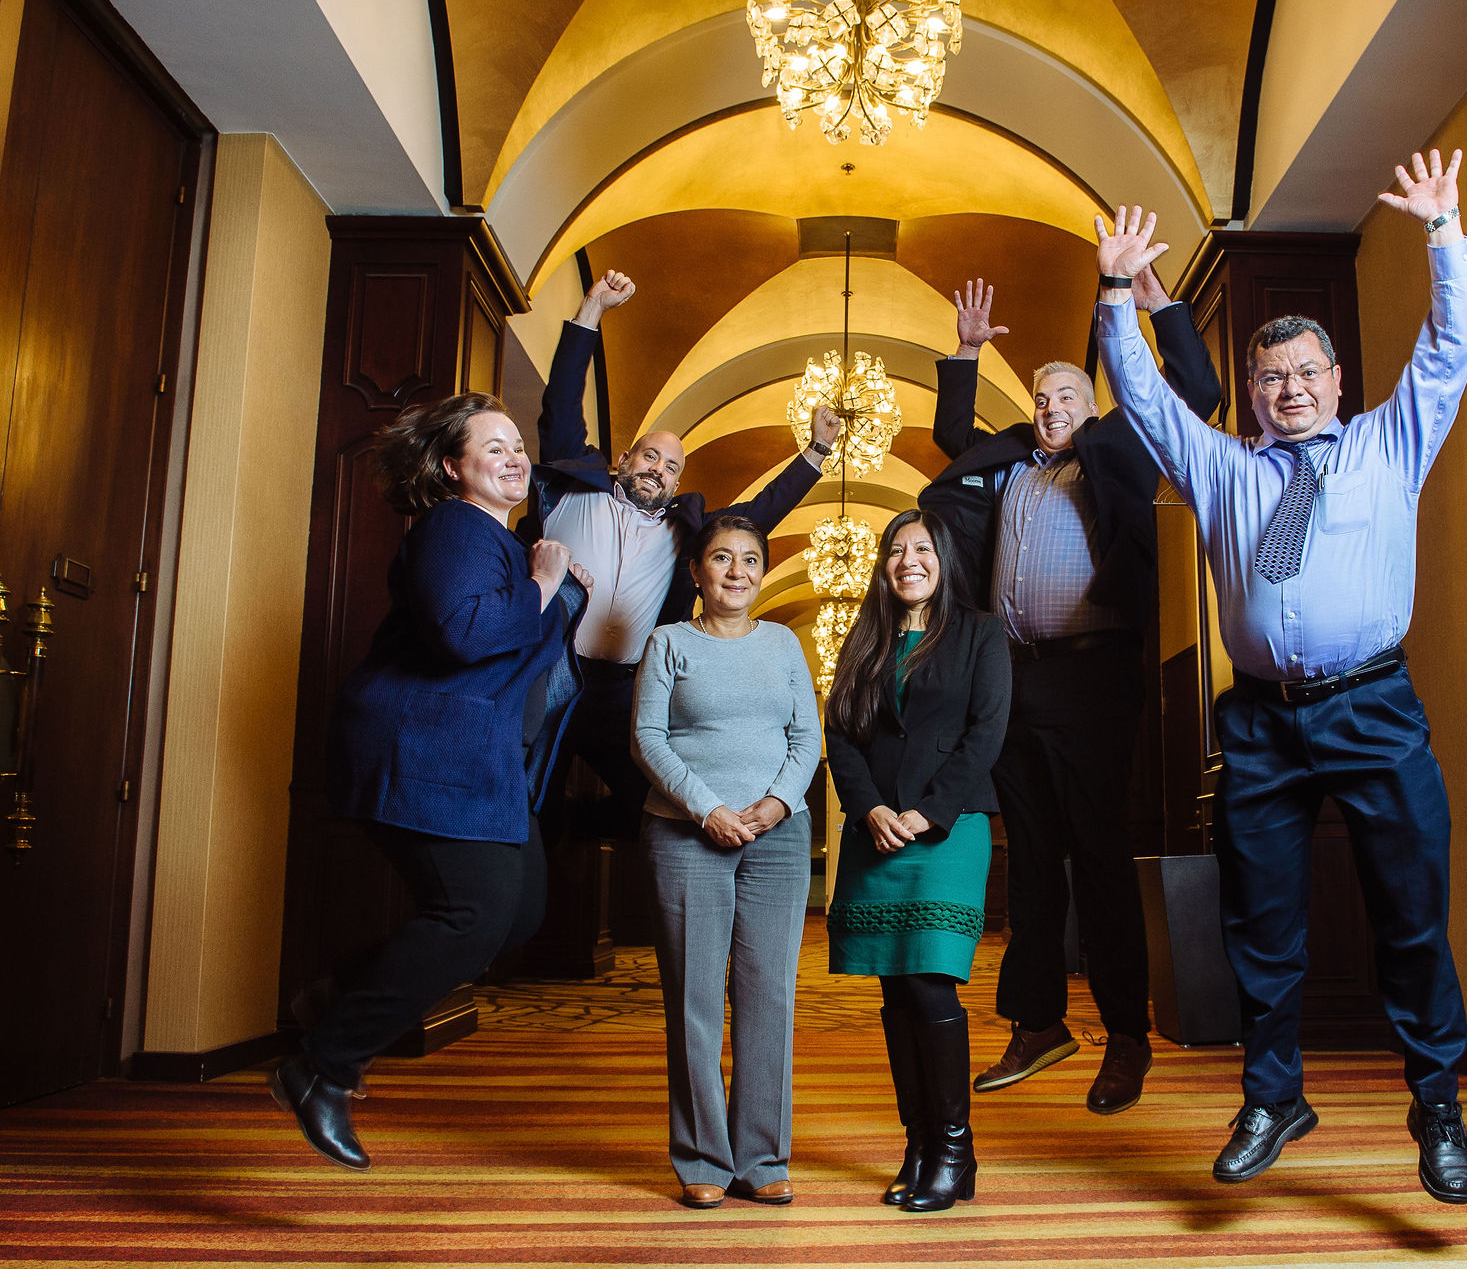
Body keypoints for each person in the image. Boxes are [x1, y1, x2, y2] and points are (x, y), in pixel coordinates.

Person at [1091, 149, 1467, 1204]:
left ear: (1336, 381)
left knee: (1411, 916)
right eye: (1270, 378)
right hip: (1261, 723)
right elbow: (1145, 400)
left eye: (1307, 373)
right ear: (1255, 392)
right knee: (1260, 927)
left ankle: (1437, 1103)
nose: (1290, 389)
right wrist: (1116, 295)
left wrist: (1442, 233)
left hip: (1373, 707)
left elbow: (1450, 346)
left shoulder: (1391, 442)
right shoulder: (1220, 465)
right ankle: (1272, 1096)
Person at [916, 268, 1221, 1115]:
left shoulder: (1116, 447)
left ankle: (1126, 1033)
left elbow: (1197, 391)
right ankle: (1038, 1021)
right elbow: (953, 437)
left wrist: (1158, 304)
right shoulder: (1011, 465)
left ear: (1092, 408)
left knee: (1098, 852)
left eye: (1066, 396)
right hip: (1013, 678)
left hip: (1093, 674)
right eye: (1042, 397)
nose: (1051, 407)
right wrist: (966, 352)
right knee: (1031, 853)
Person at [272, 392, 592, 1170]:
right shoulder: (454, 526)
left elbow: (525, 656)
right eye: (494, 446)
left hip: (485, 762)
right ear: (453, 466)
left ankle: (338, 998)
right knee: (473, 914)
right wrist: (545, 582)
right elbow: (467, 633)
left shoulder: (504, 544)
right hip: (425, 746)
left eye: (518, 446)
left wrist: (557, 585)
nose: (515, 456)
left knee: (519, 913)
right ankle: (322, 1065)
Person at [524, 271, 842, 840]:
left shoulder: (684, 529)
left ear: (677, 483)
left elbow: (760, 513)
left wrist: (817, 450)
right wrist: (592, 308)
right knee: (525, 795)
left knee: (650, 807)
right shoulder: (575, 483)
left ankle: (579, 839)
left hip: (623, 688)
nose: (658, 470)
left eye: (672, 467)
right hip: (550, 667)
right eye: (650, 457)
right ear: (625, 458)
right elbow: (562, 400)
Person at [630, 516, 820, 1209]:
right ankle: (703, 1156)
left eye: (749, 559)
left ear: (762, 572)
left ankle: (762, 1157)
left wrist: (775, 803)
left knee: (769, 994)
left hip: (779, 836)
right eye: (721, 558)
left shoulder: (784, 643)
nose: (737, 571)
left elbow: (807, 735)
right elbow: (648, 738)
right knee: (695, 996)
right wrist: (707, 807)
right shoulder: (668, 642)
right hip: (685, 833)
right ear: (696, 571)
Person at [824, 510, 1010, 1213]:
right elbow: (841, 732)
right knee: (895, 993)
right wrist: (868, 807)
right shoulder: (865, 636)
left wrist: (928, 810)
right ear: (883, 564)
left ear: (943, 558)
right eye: (896, 549)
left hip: (947, 828)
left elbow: (986, 732)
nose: (909, 559)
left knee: (931, 985)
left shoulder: (980, 633)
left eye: (922, 547)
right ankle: (920, 1143)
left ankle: (955, 1150)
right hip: (877, 832)